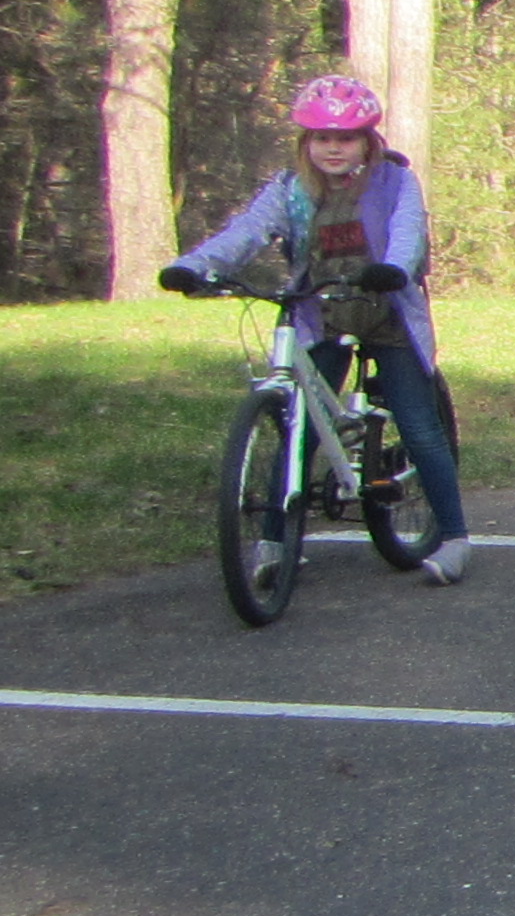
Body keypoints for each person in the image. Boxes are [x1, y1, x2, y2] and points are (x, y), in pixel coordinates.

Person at [161, 74, 471, 585]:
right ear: (306, 143)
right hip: (319, 311)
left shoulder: (395, 181)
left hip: (386, 310)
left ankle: (455, 537)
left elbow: (407, 234)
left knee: (418, 427)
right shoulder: (291, 188)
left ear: (367, 141)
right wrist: (195, 266)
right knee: (298, 431)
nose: (333, 148)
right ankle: (276, 540)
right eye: (321, 138)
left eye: (345, 138)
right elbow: (246, 231)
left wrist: (394, 269)